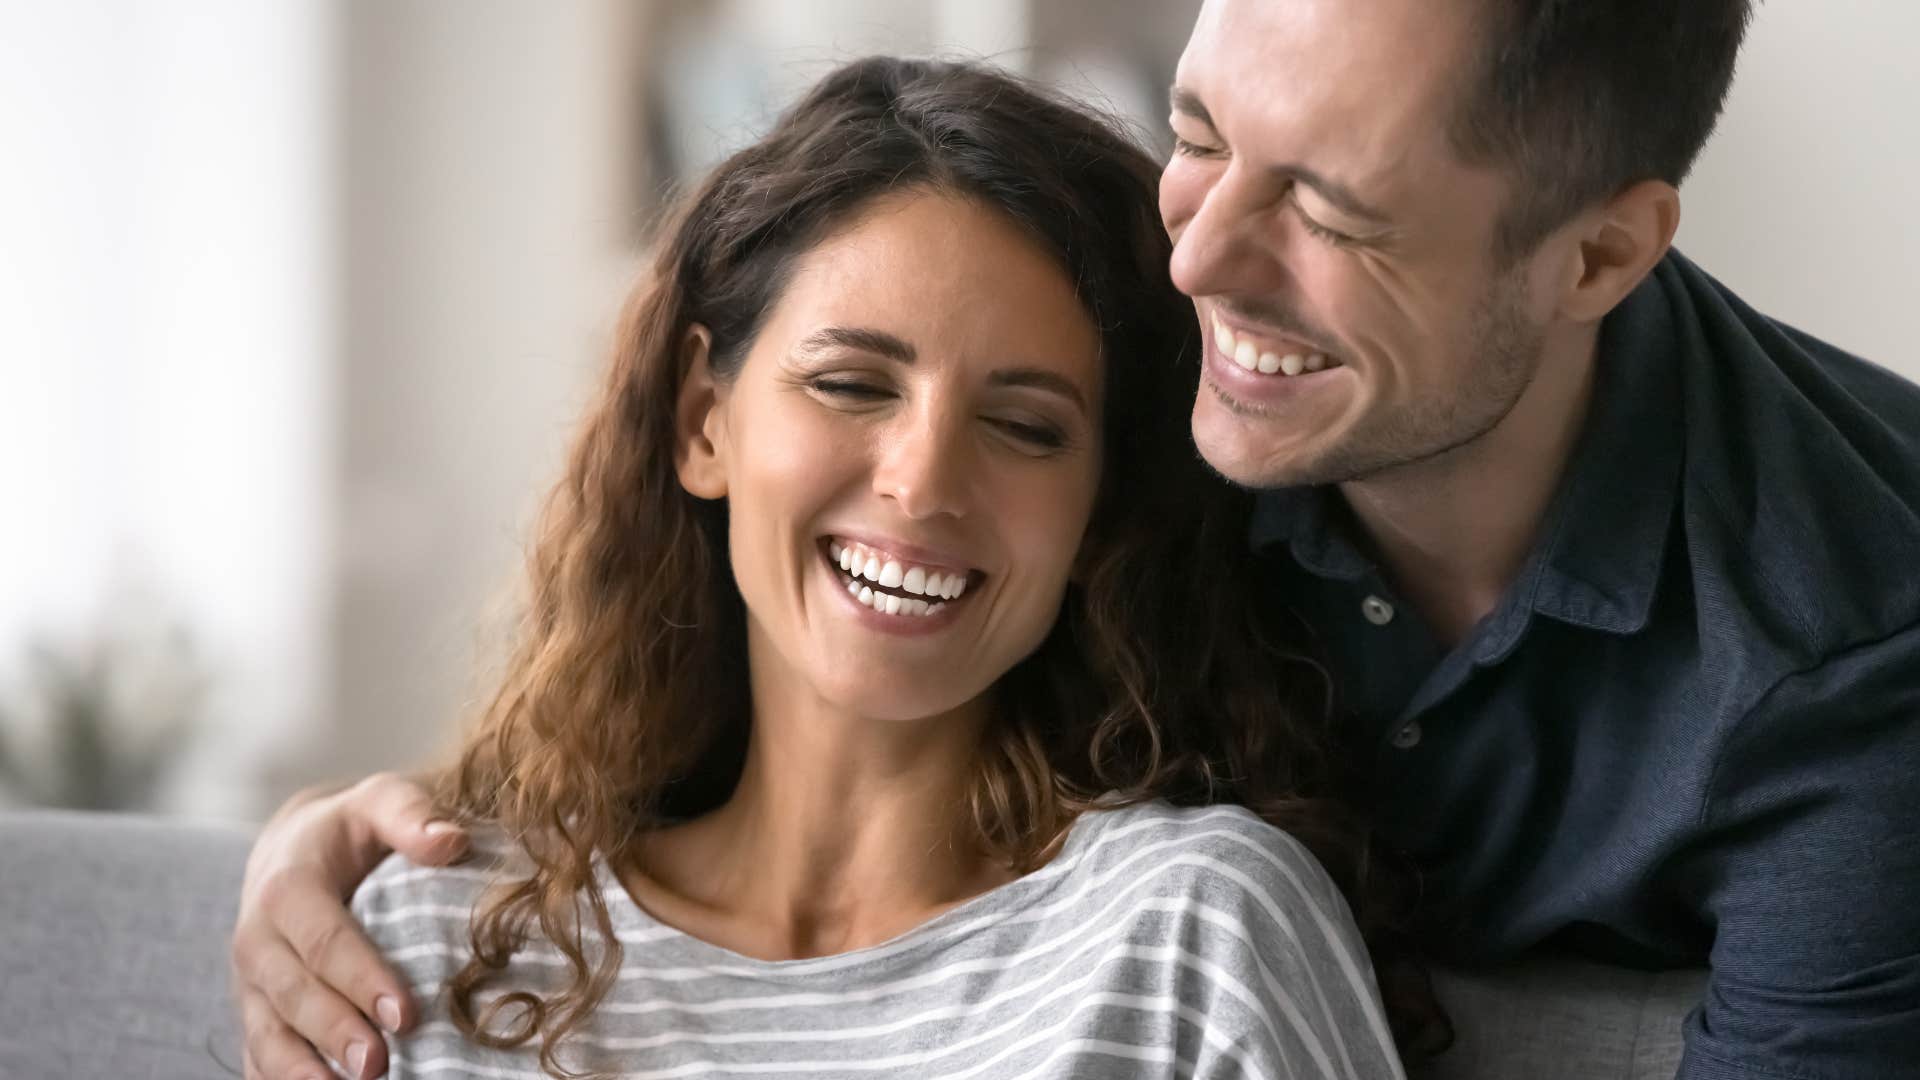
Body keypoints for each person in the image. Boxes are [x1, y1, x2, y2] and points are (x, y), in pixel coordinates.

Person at [235, 2, 1920, 1077]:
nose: (1193, 265)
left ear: (1596, 258)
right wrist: (342, 845)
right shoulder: (1174, 374)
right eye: (1196, 137)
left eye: (1330, 212)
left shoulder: (1846, 670)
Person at [242, 55, 1409, 1080]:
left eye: (1027, 425)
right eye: (851, 384)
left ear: (1099, 510)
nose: (923, 481)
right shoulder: (428, 936)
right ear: (705, 420)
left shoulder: (1193, 937)